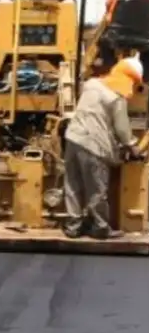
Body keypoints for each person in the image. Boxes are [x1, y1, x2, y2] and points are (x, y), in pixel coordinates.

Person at [63, 56, 143, 240]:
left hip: (73, 138)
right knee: (97, 188)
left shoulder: (91, 85)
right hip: (94, 146)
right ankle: (100, 228)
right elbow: (122, 129)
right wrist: (133, 146)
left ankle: (73, 226)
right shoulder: (116, 98)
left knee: (73, 184)